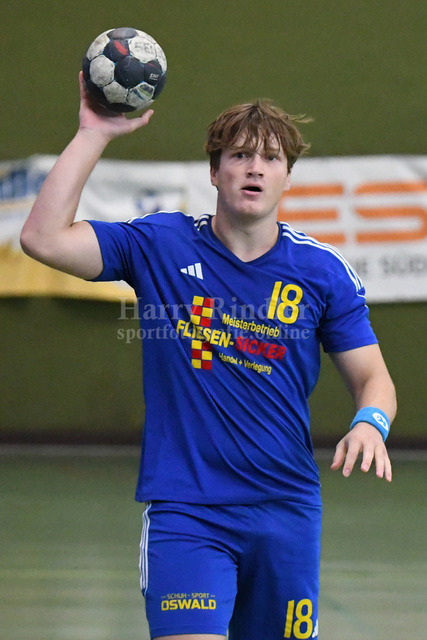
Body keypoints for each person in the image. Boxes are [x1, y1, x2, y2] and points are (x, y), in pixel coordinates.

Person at [21, 73, 397, 640]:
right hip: (187, 511)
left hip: (285, 509)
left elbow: (374, 380)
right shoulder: (160, 245)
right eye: (240, 155)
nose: (254, 168)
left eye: (270, 158)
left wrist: (370, 423)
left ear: (287, 176)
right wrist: (93, 134)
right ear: (214, 171)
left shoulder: (321, 272)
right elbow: (42, 239)